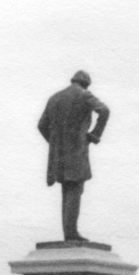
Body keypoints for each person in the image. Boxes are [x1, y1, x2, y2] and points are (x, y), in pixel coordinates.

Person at [37, 70, 110, 242]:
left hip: (59, 155)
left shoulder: (54, 98)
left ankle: (69, 232)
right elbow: (104, 110)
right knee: (75, 188)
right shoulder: (84, 94)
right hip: (76, 149)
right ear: (86, 84)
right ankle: (71, 233)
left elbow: (41, 125)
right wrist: (94, 135)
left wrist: (55, 144)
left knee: (67, 189)